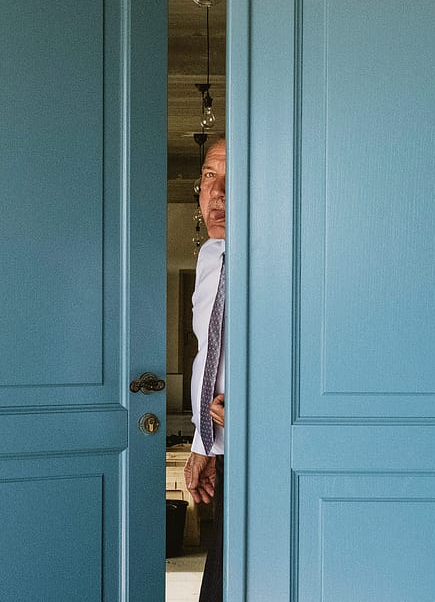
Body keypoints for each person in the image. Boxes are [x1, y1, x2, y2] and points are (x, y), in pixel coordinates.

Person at [184, 138, 227, 602]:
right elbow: (210, 357)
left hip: (272, 451)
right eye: (210, 175)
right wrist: (204, 445)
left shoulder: (282, 256)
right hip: (228, 448)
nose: (218, 193)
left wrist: (256, 408)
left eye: (232, 178)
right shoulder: (209, 256)